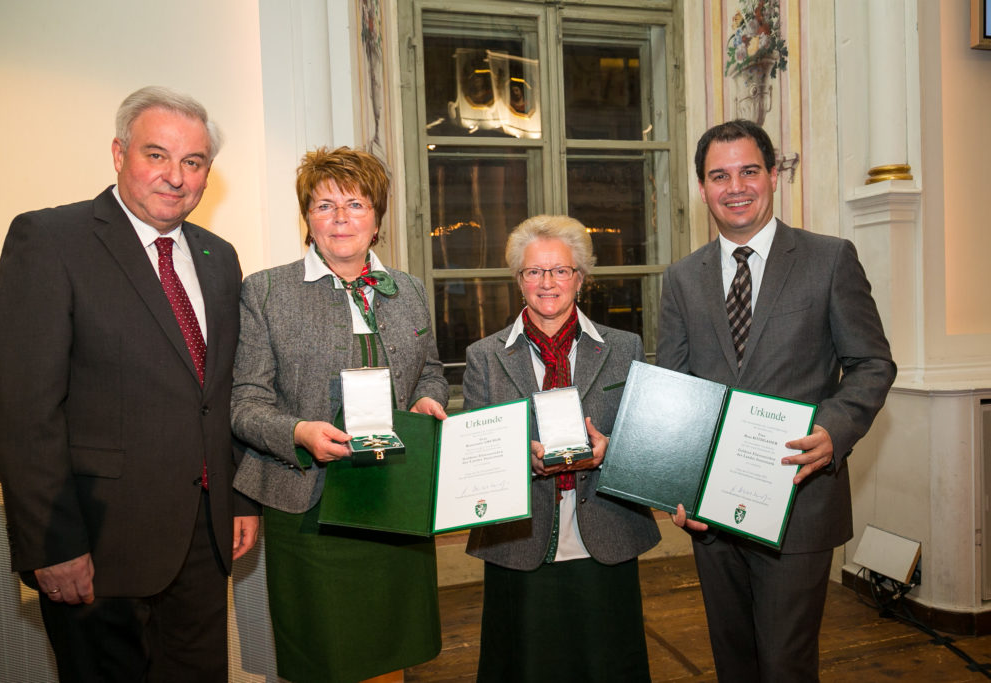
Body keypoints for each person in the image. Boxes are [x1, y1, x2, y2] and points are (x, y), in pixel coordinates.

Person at [0, 86, 260, 682]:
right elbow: (23, 412)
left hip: (204, 541)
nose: (176, 177)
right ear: (118, 153)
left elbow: (220, 393)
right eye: (156, 155)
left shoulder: (219, 256)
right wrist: (51, 545)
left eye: (194, 162)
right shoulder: (50, 241)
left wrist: (238, 499)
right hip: (98, 546)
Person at [660, 119, 896, 682]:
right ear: (702, 188)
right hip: (712, 511)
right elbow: (675, 388)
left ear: (772, 177)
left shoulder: (830, 259)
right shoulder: (682, 279)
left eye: (748, 171)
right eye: (719, 175)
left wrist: (834, 429)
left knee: (787, 665)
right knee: (732, 661)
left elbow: (872, 363)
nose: (734, 186)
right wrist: (675, 482)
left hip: (800, 500)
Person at [230, 146, 448, 683]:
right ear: (307, 219)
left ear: (377, 218)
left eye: (355, 204)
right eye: (325, 206)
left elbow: (431, 371)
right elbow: (244, 402)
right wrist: (298, 431)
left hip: (395, 494)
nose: (341, 218)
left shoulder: (409, 288)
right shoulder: (267, 291)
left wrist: (427, 400)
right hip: (309, 502)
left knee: (389, 649)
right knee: (324, 656)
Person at [463, 214, 660, 682]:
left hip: (606, 536)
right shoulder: (484, 356)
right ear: (518, 280)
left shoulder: (624, 347)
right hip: (520, 543)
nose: (546, 282)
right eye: (533, 271)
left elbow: (647, 444)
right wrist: (520, 458)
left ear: (580, 278)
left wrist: (611, 448)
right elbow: (474, 454)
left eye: (560, 270)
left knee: (608, 667)